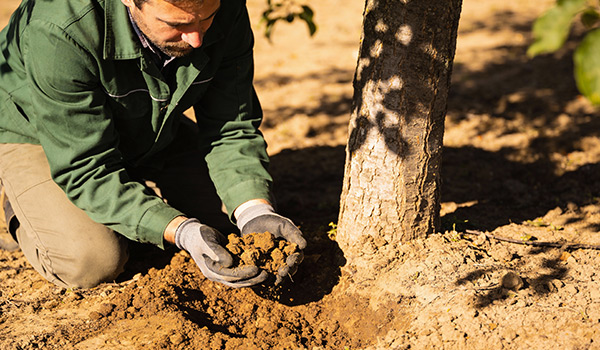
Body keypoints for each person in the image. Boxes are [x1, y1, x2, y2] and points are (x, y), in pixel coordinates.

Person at [0, 0, 306, 289]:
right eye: (176, 23)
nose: (197, 39)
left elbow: (231, 126)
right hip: (39, 131)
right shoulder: (58, 29)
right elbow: (84, 166)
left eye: (207, 18)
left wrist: (254, 211)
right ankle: (25, 204)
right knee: (93, 261)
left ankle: (131, 181)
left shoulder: (224, 8)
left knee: (228, 221)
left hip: (145, 122)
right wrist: (181, 231)